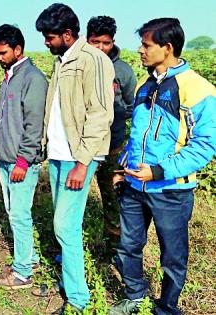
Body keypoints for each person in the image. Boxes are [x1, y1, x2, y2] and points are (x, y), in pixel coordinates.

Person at [110, 18, 216, 315]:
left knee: (173, 256)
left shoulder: (197, 89)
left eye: (146, 45)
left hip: (172, 190)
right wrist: (123, 167)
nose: (140, 50)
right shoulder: (145, 85)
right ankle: (135, 296)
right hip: (134, 185)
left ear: (167, 48)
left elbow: (205, 145)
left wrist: (157, 171)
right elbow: (137, 136)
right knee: (128, 246)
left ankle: (167, 307)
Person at [35, 3, 115, 313]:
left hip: (76, 157)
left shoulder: (92, 59)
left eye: (50, 36)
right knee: (63, 225)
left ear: (68, 34)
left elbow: (99, 114)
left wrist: (83, 163)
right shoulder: (62, 60)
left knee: (64, 227)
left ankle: (79, 301)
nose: (46, 41)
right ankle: (70, 284)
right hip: (59, 154)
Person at [0, 24, 47, 289]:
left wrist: (23, 161)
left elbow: (35, 126)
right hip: (6, 161)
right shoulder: (10, 76)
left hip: (22, 163)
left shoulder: (33, 78)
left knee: (20, 215)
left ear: (18, 49)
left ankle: (22, 273)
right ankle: (30, 258)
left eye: (2, 53)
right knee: (14, 212)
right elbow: (3, 122)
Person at [86, 16, 137, 255]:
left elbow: (131, 106)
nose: (99, 48)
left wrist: (111, 116)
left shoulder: (123, 71)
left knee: (113, 201)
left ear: (112, 42)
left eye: (105, 43)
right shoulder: (80, 65)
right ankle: (70, 248)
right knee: (74, 200)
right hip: (82, 149)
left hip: (112, 148)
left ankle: (113, 250)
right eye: (94, 42)